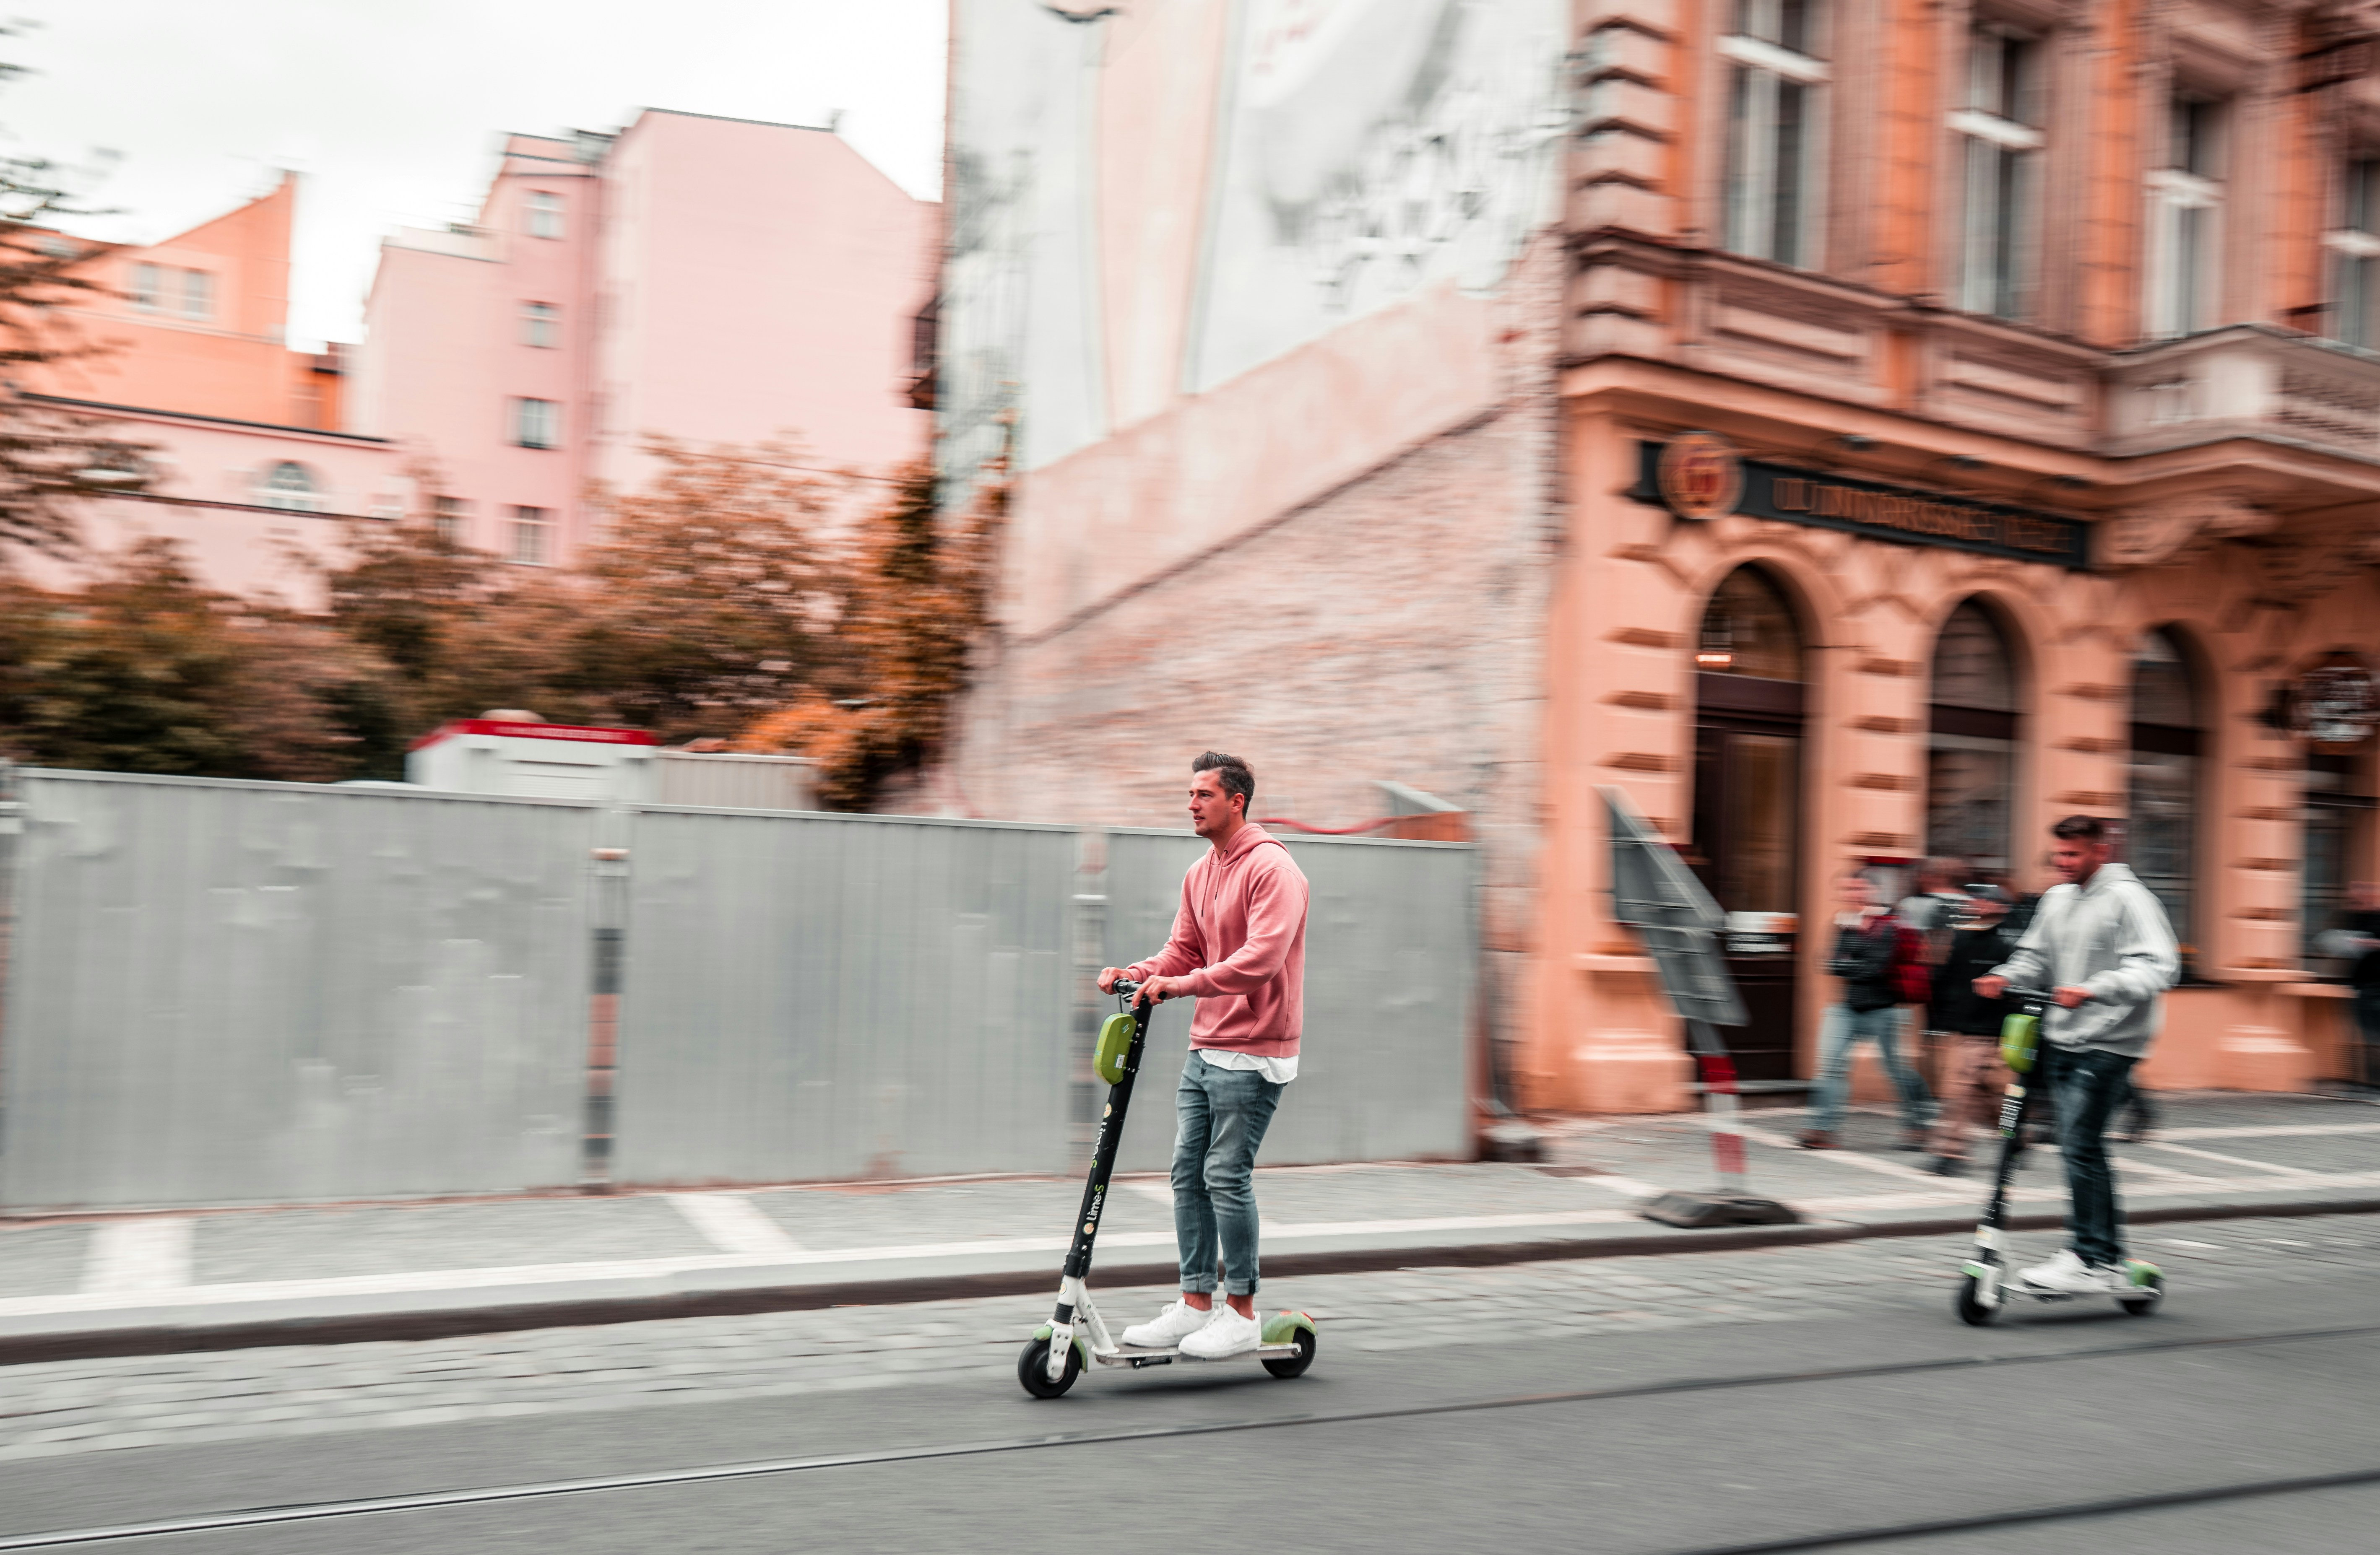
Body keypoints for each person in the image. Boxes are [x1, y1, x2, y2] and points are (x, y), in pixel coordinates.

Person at [1098, 751, 1310, 1360]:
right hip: (1207, 1044)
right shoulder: (1201, 872)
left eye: (1202, 794)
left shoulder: (1273, 870)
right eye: (1189, 794)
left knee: (1225, 1173)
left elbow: (1260, 960)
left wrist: (1181, 987)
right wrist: (1136, 973)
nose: (1190, 803)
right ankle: (1195, 1303)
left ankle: (1241, 1310)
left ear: (1235, 801)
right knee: (1185, 1174)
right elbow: (1182, 949)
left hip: (1255, 1047)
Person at [1976, 814, 2180, 1294]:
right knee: (2082, 1146)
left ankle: (2090, 1257)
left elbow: (2159, 967)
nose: (2062, 862)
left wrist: (2093, 990)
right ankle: (2104, 1255)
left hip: (2111, 1041)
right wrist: (2005, 976)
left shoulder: (2130, 899)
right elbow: (2035, 957)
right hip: (2061, 1035)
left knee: (2078, 1143)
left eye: (2073, 854)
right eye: (2058, 854)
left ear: (2099, 852)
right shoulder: (2056, 898)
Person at [1800, 870, 1935, 1150]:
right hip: (1847, 1007)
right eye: (1849, 889)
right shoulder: (1843, 921)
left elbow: (1877, 967)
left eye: (1860, 889)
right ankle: (1821, 1130)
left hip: (1886, 1009)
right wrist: (1851, 964)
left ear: (1874, 890)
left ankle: (1919, 1123)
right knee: (1830, 1067)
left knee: (1896, 1070)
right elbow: (1829, 963)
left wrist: (1848, 964)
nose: (1854, 895)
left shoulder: (1891, 923)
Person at [1922, 885, 2024, 1176]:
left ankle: (1954, 1151)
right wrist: (1935, 1026)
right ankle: (2007, 1138)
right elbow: (1942, 981)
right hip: (1965, 1030)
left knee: (1974, 1093)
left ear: (2000, 907)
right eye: (1974, 899)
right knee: (1974, 1093)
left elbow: (2020, 986)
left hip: (1999, 1030)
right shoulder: (1960, 936)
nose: (1975, 903)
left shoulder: (2011, 942)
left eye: (1984, 900)